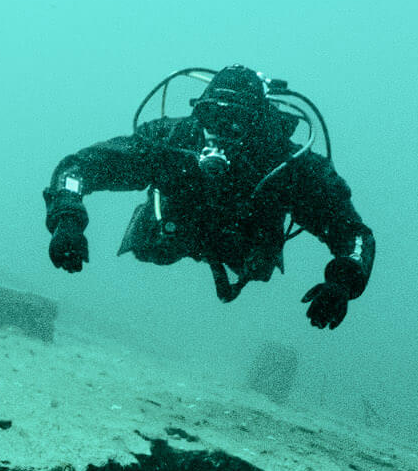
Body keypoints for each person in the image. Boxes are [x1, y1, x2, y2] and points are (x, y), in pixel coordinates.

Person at [42, 65, 376, 329]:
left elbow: (353, 234)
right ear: (198, 113)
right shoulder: (169, 141)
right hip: (169, 234)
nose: (221, 130)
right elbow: (78, 169)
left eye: (236, 122)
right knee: (155, 244)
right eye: (213, 117)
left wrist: (343, 281)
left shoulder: (291, 167)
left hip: (243, 248)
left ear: (259, 125)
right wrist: (67, 219)